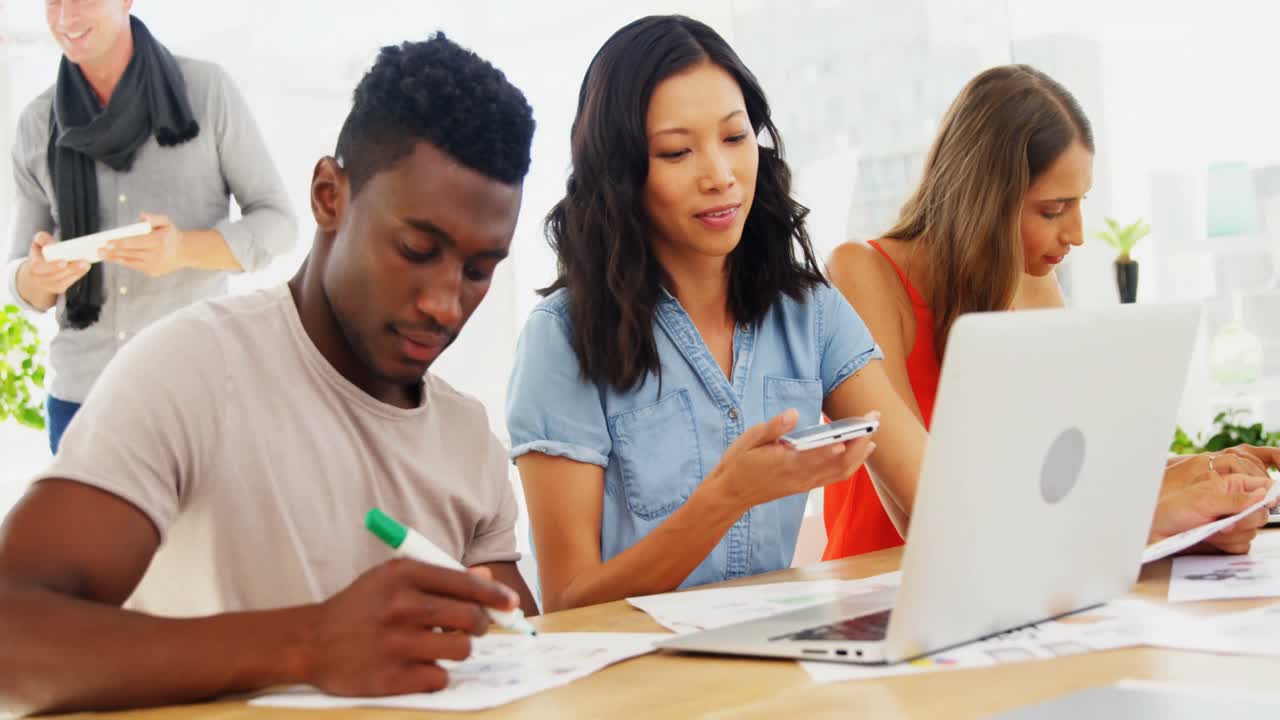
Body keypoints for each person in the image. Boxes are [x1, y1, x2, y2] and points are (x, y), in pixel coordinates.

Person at [0, 33, 536, 714]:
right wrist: (306, 643)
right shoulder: (192, 371)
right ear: (328, 196)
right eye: (416, 249)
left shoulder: (466, 438)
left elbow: (521, 649)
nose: (445, 302)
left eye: (479, 269)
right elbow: (10, 639)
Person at [821, 64, 1277, 560]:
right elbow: (927, 513)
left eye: (1079, 203)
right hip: (882, 592)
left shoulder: (1032, 281)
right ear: (984, 201)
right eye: (1053, 211)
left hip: (1018, 576)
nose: (1077, 233)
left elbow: (1074, 468)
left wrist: (1202, 475)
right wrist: (1155, 508)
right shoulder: (861, 272)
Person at [6, 1, 296, 453]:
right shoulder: (35, 124)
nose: (65, 18)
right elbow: (21, 277)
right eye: (53, 1)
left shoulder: (207, 91)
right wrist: (37, 275)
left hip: (192, 394)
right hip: (82, 401)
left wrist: (183, 250)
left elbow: (279, 223)